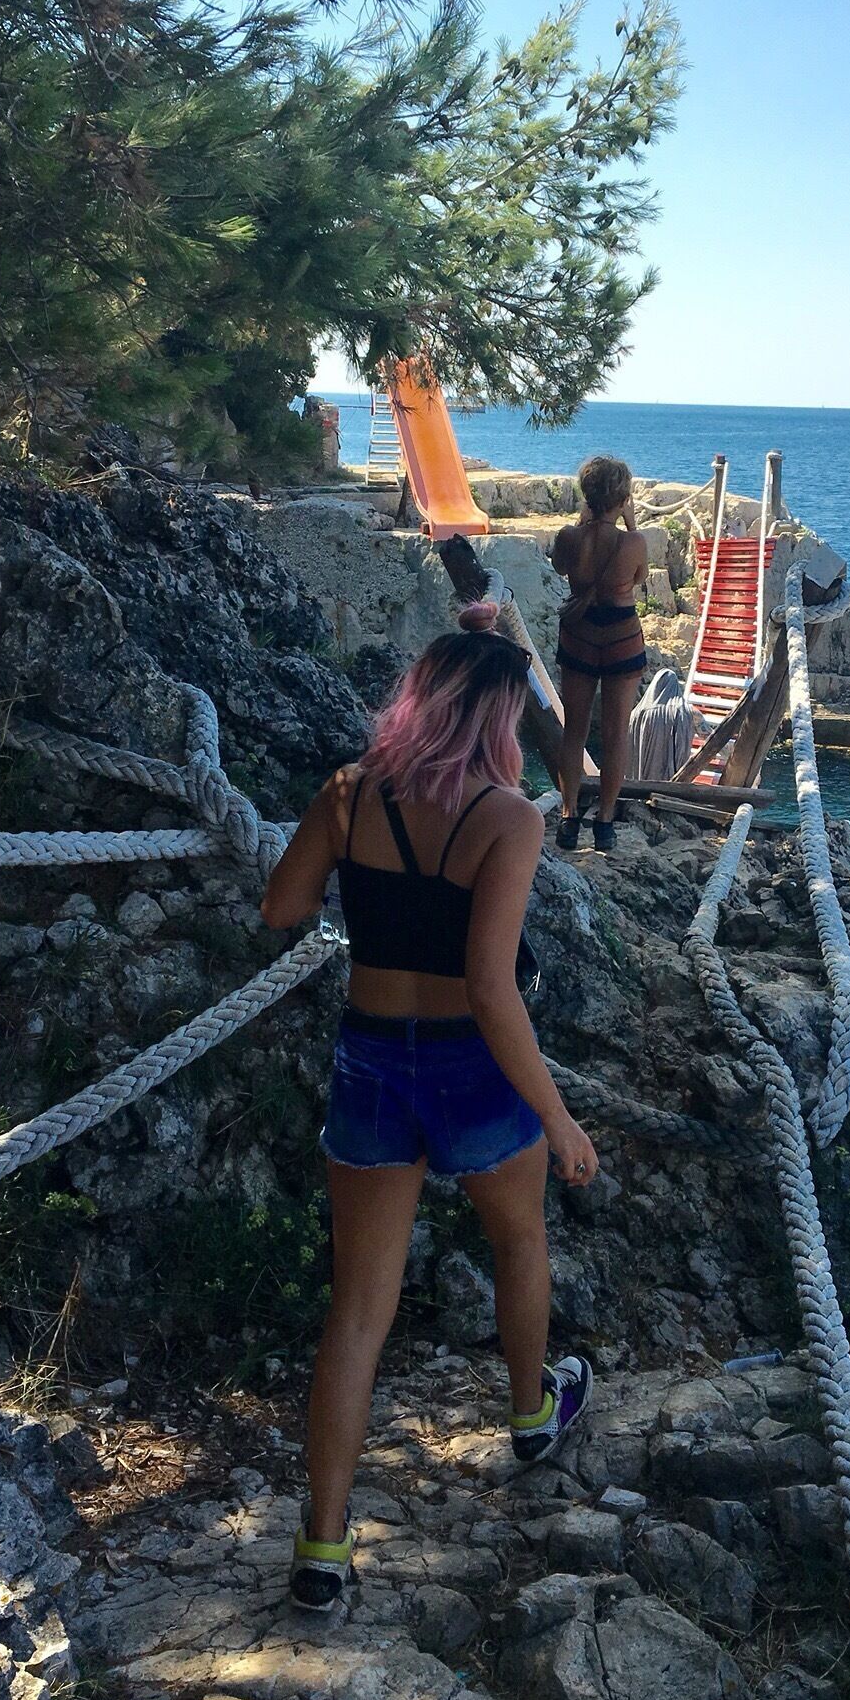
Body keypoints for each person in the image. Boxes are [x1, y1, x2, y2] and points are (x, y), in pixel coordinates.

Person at [260, 606, 600, 1614]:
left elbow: (282, 908)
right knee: (518, 1239)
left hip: (370, 1058)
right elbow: (492, 988)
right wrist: (560, 1117)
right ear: (498, 718)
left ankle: (323, 1547)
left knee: (358, 1309)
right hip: (471, 1066)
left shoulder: (349, 792)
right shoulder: (510, 818)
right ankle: (532, 1412)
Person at [551, 456, 649, 851]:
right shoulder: (634, 542)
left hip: (579, 634)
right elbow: (639, 578)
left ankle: (568, 816)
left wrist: (582, 522)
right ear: (623, 499)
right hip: (622, 636)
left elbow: (560, 567)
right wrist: (631, 525)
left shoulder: (568, 537)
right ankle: (605, 823)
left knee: (574, 729)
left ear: (587, 496)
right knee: (615, 733)